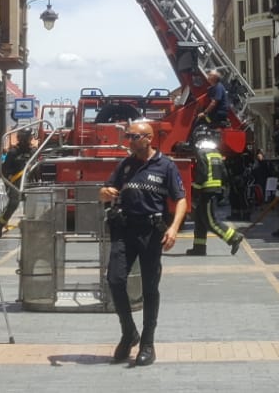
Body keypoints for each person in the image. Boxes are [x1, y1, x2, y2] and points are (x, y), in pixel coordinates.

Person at [98, 120, 186, 367]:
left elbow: (181, 200)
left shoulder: (165, 166)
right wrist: (104, 193)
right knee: (115, 280)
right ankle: (129, 332)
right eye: (127, 136)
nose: (129, 141)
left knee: (149, 288)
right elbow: (106, 189)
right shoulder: (125, 165)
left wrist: (174, 228)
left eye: (133, 137)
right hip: (124, 231)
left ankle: (147, 343)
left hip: (150, 233)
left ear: (148, 138)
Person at [185, 126, 244, 256]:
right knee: (200, 220)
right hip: (214, 189)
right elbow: (224, 172)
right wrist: (222, 188)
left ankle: (233, 237)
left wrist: (195, 190)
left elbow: (202, 173)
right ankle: (199, 247)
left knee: (210, 221)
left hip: (206, 190)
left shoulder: (201, 153)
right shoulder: (216, 152)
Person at [0, 127, 35, 239]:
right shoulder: (13, 152)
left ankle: (31, 230)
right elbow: (4, 170)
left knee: (33, 205)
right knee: (13, 204)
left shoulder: (32, 151)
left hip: (29, 183)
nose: (30, 139)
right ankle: (0, 223)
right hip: (15, 183)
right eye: (29, 137)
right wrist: (8, 185)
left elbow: (37, 168)